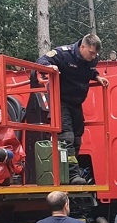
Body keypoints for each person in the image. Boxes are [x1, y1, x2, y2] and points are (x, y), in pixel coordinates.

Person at [35, 34, 109, 185]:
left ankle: (70, 172)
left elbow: (89, 70)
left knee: (77, 139)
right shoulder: (63, 54)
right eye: (91, 52)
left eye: (96, 53)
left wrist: (96, 77)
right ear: (82, 47)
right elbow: (41, 61)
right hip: (60, 101)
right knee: (66, 138)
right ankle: (72, 175)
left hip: (76, 103)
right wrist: (50, 67)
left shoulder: (92, 59)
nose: (94, 56)